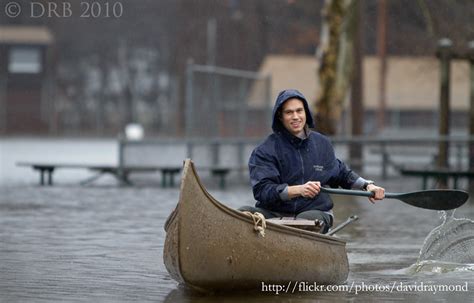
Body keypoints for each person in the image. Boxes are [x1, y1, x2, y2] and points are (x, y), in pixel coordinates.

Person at [239, 89, 385, 233]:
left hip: (314, 212)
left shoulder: (322, 144)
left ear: (306, 113)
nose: (295, 117)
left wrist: (368, 186)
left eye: (299, 111)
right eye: (289, 112)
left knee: (305, 221)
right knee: (242, 214)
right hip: (275, 214)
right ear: (280, 117)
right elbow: (263, 191)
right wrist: (298, 190)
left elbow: (342, 173)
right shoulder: (264, 150)